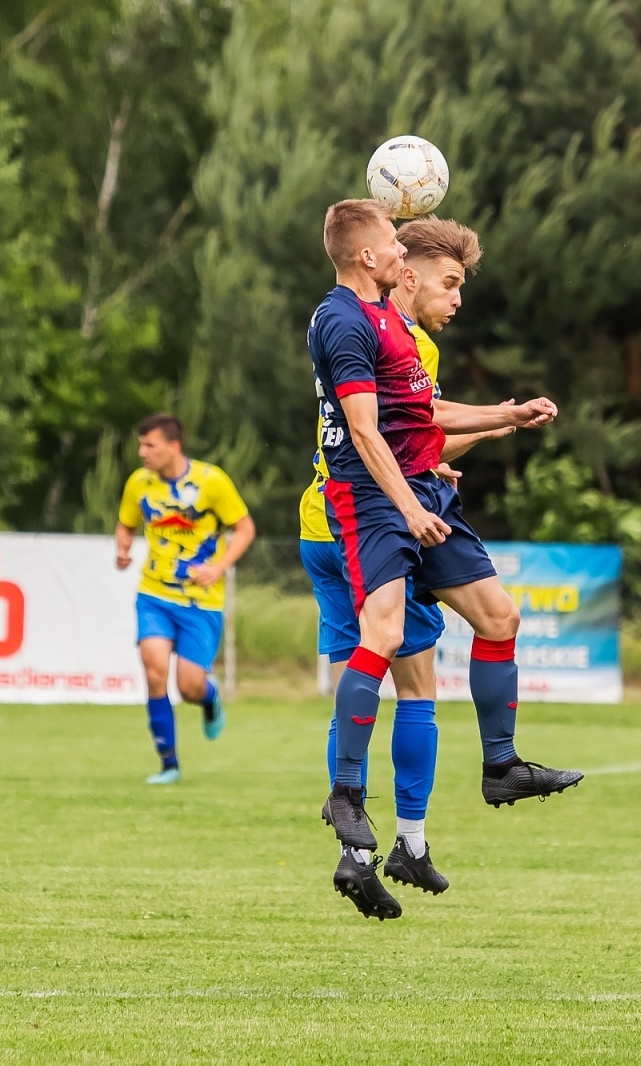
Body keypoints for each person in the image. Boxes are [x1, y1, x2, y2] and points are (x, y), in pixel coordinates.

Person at [309, 199, 583, 920]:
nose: (402, 254)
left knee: (500, 616)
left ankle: (500, 766)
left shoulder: (392, 326)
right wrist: (407, 505)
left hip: (420, 494)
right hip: (374, 503)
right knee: (386, 636)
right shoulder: (342, 320)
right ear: (373, 259)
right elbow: (365, 431)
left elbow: (422, 416)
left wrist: (504, 415)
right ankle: (351, 802)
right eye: (395, 245)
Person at [116, 413, 255, 784]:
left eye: (150, 445)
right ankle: (169, 764)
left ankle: (209, 697)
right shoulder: (139, 484)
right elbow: (125, 523)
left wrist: (218, 567)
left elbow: (244, 528)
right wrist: (123, 547)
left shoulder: (211, 482)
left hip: (201, 600)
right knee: (154, 668)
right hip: (155, 593)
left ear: (173, 446)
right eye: (140, 445)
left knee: (189, 685)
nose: (142, 452)